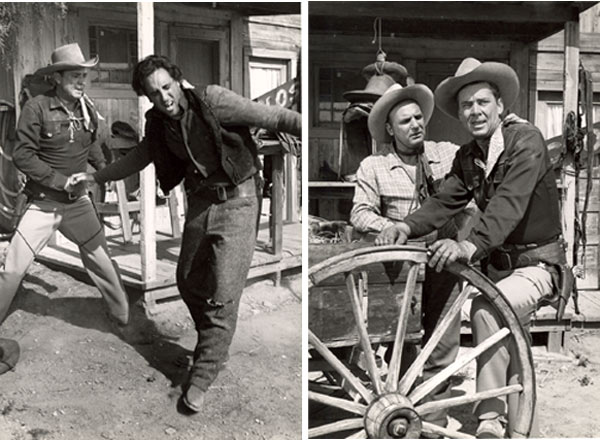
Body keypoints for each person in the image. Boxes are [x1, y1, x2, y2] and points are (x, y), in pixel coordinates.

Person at [72, 55, 301, 413]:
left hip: (240, 200)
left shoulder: (213, 100)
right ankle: (214, 342)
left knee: (224, 293)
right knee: (188, 280)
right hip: (201, 202)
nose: (163, 97)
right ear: (147, 98)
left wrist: (310, 130)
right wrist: (95, 177)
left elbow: (274, 117)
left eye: (167, 87)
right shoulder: (159, 124)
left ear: (179, 81)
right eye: (154, 93)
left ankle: (204, 373)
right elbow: (139, 157)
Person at [377, 58, 564, 438]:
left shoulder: (525, 142)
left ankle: (489, 421)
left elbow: (507, 205)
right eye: (466, 105)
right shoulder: (469, 156)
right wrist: (405, 225)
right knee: (515, 348)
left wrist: (468, 246)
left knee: (487, 309)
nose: (474, 111)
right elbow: (444, 201)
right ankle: (524, 428)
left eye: (482, 102)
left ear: (500, 105)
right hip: (500, 269)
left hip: (538, 265)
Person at [352, 82, 463, 432]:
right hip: (400, 267)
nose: (415, 125)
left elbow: (481, 165)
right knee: (406, 342)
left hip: (444, 257)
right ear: (389, 129)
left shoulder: (446, 153)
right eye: (405, 121)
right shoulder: (374, 166)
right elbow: (360, 213)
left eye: (418, 117)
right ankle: (402, 412)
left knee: (442, 342)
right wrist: (392, 226)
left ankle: (432, 423)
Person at [0, 43, 130, 329]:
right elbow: (22, 155)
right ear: (57, 78)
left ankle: (125, 323)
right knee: (13, 267)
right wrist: (59, 181)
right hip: (43, 202)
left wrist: (105, 172)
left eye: (84, 76)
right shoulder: (36, 108)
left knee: (103, 263)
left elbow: (92, 146)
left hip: (78, 204)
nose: (82, 82)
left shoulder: (87, 109)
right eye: (75, 76)